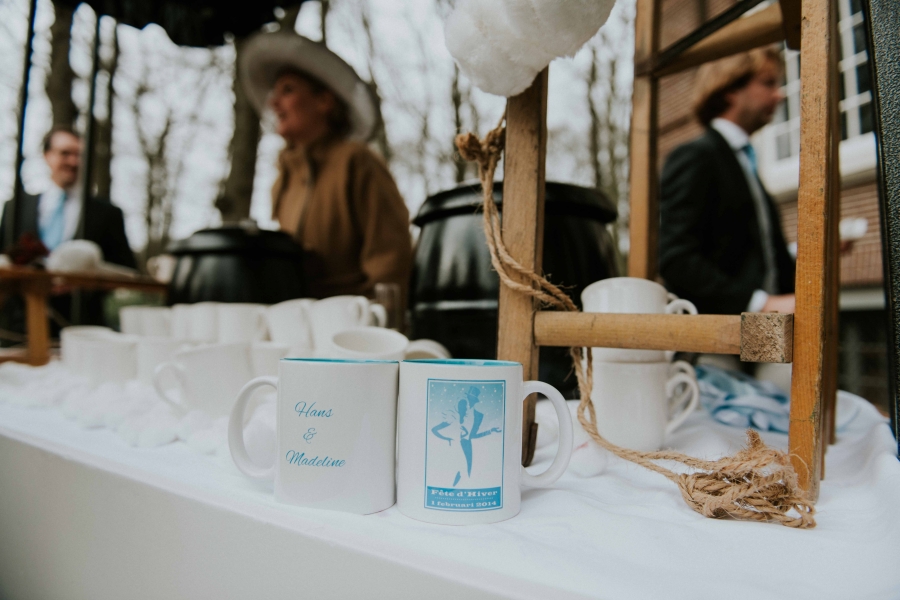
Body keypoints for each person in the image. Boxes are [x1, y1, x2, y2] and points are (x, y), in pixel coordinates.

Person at [241, 32, 412, 301]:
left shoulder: (356, 161)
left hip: (353, 326)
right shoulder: (283, 178)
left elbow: (390, 260)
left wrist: (376, 325)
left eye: (288, 90)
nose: (274, 103)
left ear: (324, 101)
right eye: (275, 93)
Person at [658, 47, 796, 317]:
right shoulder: (697, 156)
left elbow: (742, 252)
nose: (779, 94)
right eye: (768, 83)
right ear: (730, 89)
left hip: (758, 338)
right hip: (717, 342)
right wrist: (761, 304)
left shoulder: (744, 162)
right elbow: (676, 260)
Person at [0, 127, 136, 331]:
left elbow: (126, 270)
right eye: (65, 153)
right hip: (20, 325)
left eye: (79, 155)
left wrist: (86, 280)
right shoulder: (16, 207)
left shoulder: (107, 213)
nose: (73, 162)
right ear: (48, 155)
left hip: (83, 325)